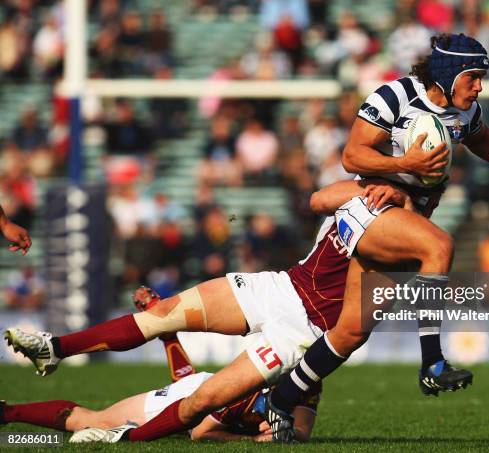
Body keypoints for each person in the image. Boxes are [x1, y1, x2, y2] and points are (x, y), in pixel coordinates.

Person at [263, 32, 489, 441]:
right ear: (449, 74)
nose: (480, 85)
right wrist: (405, 162)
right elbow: (352, 156)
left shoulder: (464, 110)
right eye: (473, 77)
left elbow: (479, 136)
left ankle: (281, 399)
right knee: (439, 245)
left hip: (407, 217)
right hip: (374, 208)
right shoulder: (393, 97)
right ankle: (432, 363)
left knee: (351, 333)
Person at [4, 179, 410, 443]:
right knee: (164, 317)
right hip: (283, 286)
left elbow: (219, 426)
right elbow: (318, 198)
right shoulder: (362, 192)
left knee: (179, 404)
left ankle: (94, 434)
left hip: (301, 331)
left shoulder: (303, 379)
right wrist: (169, 339)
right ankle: (54, 348)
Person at [1, 287, 319, 443]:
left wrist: (284, 435)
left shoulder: (307, 377)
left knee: (190, 383)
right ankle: (8, 414)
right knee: (94, 421)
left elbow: (301, 431)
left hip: (201, 386)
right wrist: (250, 440)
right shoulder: (247, 391)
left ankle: (163, 327)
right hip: (198, 395)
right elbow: (201, 432)